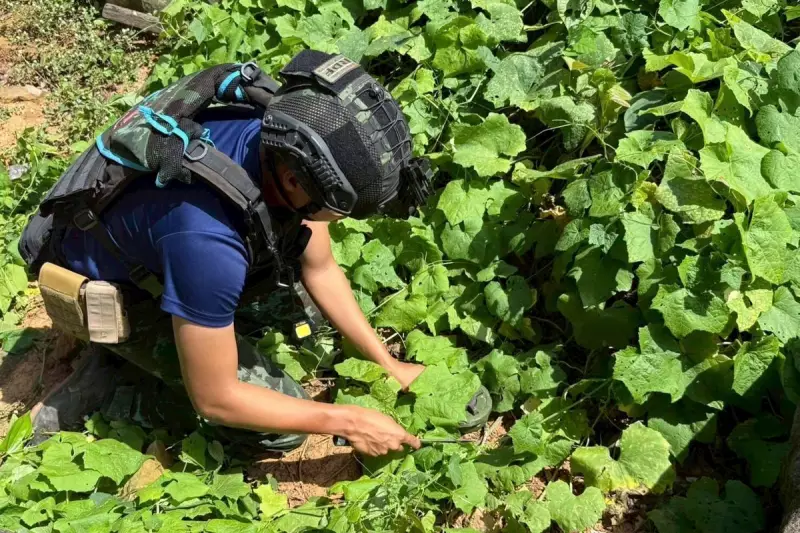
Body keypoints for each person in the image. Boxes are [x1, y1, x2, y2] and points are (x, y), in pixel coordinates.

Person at [19, 51, 482, 457]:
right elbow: (216, 398)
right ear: (297, 181)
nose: (341, 220)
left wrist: (388, 363)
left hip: (161, 250)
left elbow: (319, 265)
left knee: (311, 329)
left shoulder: (282, 141)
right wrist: (349, 421)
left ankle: (160, 343)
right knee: (280, 427)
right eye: (342, 209)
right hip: (117, 291)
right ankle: (120, 385)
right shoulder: (208, 244)